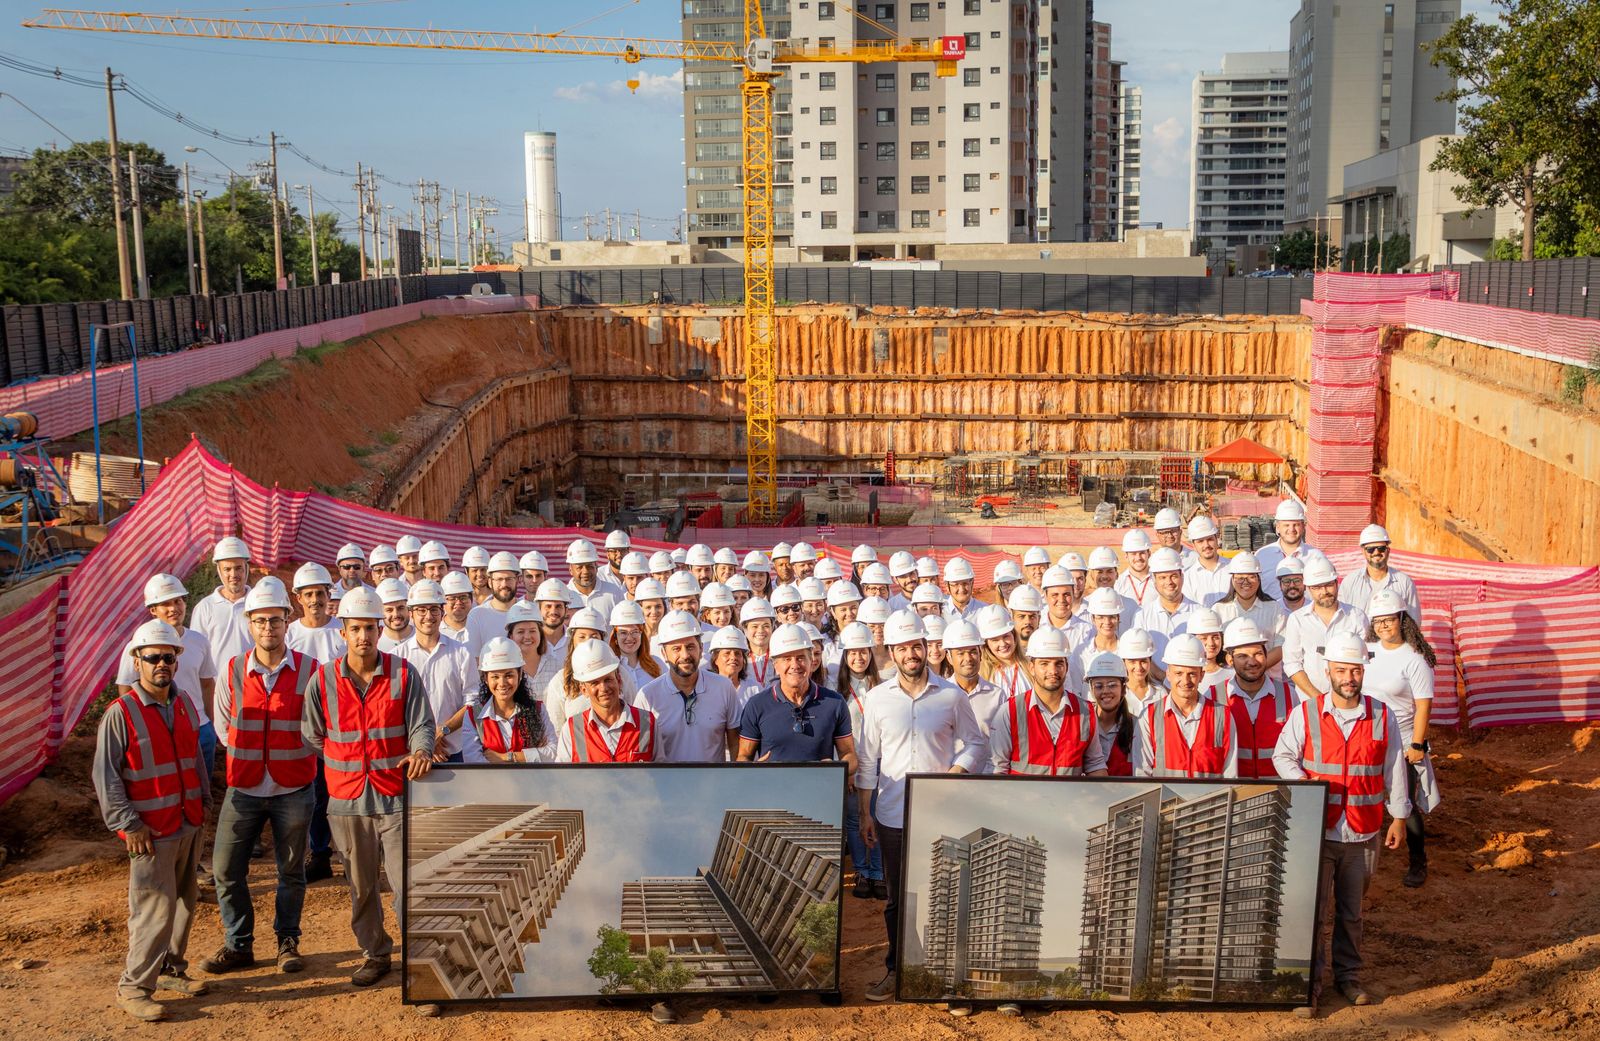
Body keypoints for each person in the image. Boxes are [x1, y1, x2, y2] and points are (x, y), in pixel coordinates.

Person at [300, 587, 435, 993]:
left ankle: (418, 960)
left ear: (381, 630)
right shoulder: (323, 679)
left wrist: (422, 749)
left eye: (370, 628)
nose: (363, 636)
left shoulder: (403, 673)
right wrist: (347, 762)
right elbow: (312, 733)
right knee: (361, 888)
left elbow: (421, 724)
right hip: (346, 801)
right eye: (355, 628)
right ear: (343, 632)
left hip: (394, 796)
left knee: (405, 886)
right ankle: (375, 954)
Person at [1273, 632, 1411, 1018]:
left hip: (1363, 832)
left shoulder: (1382, 715)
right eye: (1341, 669)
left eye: (1355, 669)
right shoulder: (1307, 713)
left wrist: (1398, 816)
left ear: (1363, 670)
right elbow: (1282, 755)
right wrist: (1303, 785)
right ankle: (1308, 986)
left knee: (1351, 913)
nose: (1349, 676)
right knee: (1312, 911)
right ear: (1328, 670)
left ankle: (1347, 978)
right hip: (1317, 832)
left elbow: (1395, 769)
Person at [856, 611, 986, 1003]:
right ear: (891, 653)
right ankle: (897, 972)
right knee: (897, 899)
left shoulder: (951, 695)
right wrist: (865, 812)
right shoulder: (877, 699)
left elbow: (976, 744)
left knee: (943, 897)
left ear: (928, 649)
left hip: (939, 813)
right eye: (903, 648)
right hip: (893, 815)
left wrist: (954, 773)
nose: (911, 653)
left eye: (917, 646)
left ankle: (944, 978)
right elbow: (866, 760)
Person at [94, 619, 213, 1023]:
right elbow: (106, 775)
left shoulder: (181, 703)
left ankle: (171, 970)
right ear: (137, 660)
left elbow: (194, 757)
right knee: (152, 910)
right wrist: (128, 824)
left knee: (184, 905)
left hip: (187, 821)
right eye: (153, 657)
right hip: (149, 830)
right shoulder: (120, 714)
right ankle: (134, 987)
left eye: (168, 656)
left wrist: (205, 800)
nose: (162, 663)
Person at [202, 580, 317, 978]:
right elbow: (222, 725)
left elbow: (319, 725)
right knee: (226, 869)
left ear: (288, 621)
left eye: (275, 619)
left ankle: (288, 941)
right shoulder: (233, 670)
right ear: (249, 624)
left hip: (294, 788)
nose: (268, 626)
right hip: (244, 787)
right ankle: (239, 944)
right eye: (260, 620)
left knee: (291, 872)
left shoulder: (310, 670)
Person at [1362, 590, 1439, 888]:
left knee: (1404, 804)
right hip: (1366, 738)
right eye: (1378, 621)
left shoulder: (1414, 660)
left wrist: (1417, 745)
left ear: (1401, 620)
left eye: (1389, 620)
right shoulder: (1367, 651)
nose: (1383, 626)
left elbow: (1423, 706)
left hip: (1402, 743)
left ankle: (1418, 861)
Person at [115, 575, 219, 776]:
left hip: (199, 728)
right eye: (165, 604)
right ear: (153, 610)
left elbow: (207, 684)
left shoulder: (199, 641)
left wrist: (211, 726)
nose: (174, 608)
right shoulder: (138, 645)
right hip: (157, 731)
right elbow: (126, 690)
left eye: (178, 601)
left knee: (201, 788)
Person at [987, 627, 1107, 777]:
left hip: (1070, 800)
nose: (1053, 671)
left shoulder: (1086, 712)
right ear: (1031, 667)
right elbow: (997, 769)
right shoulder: (1009, 712)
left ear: (1067, 667)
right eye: (1044, 663)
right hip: (1022, 800)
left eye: (1058, 663)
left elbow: (1095, 765)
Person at [735, 622, 855, 765]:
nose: (795, 665)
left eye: (800, 657)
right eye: (787, 659)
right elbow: (743, 757)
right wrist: (754, 769)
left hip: (820, 786)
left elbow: (849, 755)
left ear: (811, 660)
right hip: (772, 786)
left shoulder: (835, 702)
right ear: (775, 665)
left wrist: (834, 768)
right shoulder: (756, 705)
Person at [633, 610, 739, 762]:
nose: (684, 655)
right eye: (676, 649)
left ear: (701, 648)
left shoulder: (724, 688)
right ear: (664, 653)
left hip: (715, 785)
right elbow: (641, 752)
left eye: (690, 647)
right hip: (667, 785)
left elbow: (735, 743)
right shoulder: (647, 696)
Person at [827, 622, 885, 899]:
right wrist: (846, 770)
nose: (858, 658)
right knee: (854, 820)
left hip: (879, 765)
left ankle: (878, 872)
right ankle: (861, 871)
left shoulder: (884, 686)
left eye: (863, 652)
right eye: (852, 653)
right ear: (844, 656)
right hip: (852, 766)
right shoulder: (836, 691)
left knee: (878, 816)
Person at [1134, 634, 1238, 778]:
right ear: (1168, 674)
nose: (1185, 680)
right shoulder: (1149, 717)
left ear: (1202, 675)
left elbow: (1230, 775)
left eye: (1192, 674)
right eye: (1178, 673)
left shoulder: (1223, 716)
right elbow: (1142, 775)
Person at [396, 580, 476, 764]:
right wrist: (425, 742)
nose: (428, 616)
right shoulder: (398, 657)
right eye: (421, 610)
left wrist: (443, 731)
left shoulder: (461, 653)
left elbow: (474, 702)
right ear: (411, 614)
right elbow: (395, 707)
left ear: (442, 612)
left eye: (433, 609)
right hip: (410, 753)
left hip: (452, 753)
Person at [1220, 618, 1302, 779]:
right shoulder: (1215, 697)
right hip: (1235, 792)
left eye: (1258, 653)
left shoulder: (1287, 694)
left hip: (1280, 791)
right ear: (1230, 660)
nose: (1252, 662)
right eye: (1243, 656)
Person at [554, 641, 659, 763]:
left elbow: (661, 774)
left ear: (619, 680)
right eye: (594, 683)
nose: (603, 688)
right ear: (584, 690)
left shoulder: (647, 722)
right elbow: (563, 779)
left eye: (608, 679)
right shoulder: (572, 730)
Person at [1283, 559, 1370, 699]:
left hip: (1351, 700)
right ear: (1309, 589)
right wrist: (1318, 698)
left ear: (1337, 583)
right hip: (1310, 701)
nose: (1324, 591)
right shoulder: (1297, 619)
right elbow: (1292, 664)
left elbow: (1365, 661)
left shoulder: (1356, 616)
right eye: (1317, 587)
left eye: (1328, 585)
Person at [468, 637, 555, 763]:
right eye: (495, 677)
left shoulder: (538, 709)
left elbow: (553, 752)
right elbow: (472, 761)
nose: (502, 683)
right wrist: (533, 756)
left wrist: (507, 757)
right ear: (485, 678)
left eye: (509, 675)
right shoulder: (472, 715)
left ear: (520, 675)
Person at [941, 619, 1003, 776]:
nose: (968, 658)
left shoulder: (997, 696)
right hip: (946, 783)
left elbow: (1000, 749)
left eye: (973, 651)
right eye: (960, 653)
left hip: (985, 783)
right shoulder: (938, 695)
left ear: (980, 654)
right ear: (948, 657)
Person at [190, 536, 254, 684]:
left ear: (246, 567)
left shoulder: (259, 605)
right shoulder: (204, 608)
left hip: (254, 688)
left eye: (238, 568)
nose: (233, 575)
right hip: (217, 690)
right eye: (227, 569)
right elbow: (197, 654)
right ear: (219, 570)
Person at [1213, 551, 1287, 671]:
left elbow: (1281, 646)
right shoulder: (1219, 609)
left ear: (1259, 579)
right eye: (1240, 578)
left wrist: (1256, 669)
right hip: (1230, 679)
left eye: (1251, 577)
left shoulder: (1274, 608)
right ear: (1232, 579)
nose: (1246, 582)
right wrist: (1241, 672)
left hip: (1268, 676)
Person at [1340, 524, 1422, 624]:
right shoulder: (1350, 582)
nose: (1376, 552)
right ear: (1363, 552)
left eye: (1381, 548)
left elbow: (1414, 622)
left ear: (1388, 550)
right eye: (1370, 549)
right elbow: (1342, 620)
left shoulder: (1404, 583)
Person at [1135, 547, 1200, 665]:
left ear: (1182, 577)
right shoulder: (1142, 615)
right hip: (1155, 683)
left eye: (1174, 576)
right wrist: (1164, 678)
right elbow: (1139, 655)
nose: (1169, 582)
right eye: (1162, 577)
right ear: (1154, 582)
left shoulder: (1199, 613)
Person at [1255, 500, 1329, 599]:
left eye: (1296, 524)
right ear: (1277, 527)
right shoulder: (1262, 555)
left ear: (1303, 526)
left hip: (1304, 612)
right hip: (1270, 613)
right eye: (1286, 525)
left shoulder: (1316, 557)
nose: (1291, 529)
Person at [1085, 652, 1137, 776]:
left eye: (1112, 685)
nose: (1106, 691)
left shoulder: (1137, 727)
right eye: (1098, 686)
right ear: (1091, 690)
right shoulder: (1083, 724)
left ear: (1123, 689)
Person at [286, 563, 345, 663]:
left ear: (328, 595)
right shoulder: (289, 634)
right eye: (308, 595)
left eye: (319, 593)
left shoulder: (343, 631)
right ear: (299, 598)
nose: (315, 600)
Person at [465, 552, 521, 657]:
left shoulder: (529, 611)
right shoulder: (477, 615)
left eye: (509, 579)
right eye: (499, 579)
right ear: (490, 582)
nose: (504, 585)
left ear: (517, 580)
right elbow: (473, 660)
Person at [977, 603, 1035, 703]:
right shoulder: (981, 675)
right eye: (995, 640)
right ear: (986, 644)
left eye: (1006, 636)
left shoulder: (1031, 663)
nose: (1002, 644)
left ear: (1013, 635)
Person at [610, 600, 662, 692]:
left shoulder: (657, 664)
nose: (629, 638)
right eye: (623, 633)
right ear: (615, 636)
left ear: (641, 633)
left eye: (634, 632)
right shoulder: (610, 669)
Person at [1181, 515, 1232, 606]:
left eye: (1210, 539)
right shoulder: (1188, 578)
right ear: (1193, 545)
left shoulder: (1233, 568)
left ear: (1217, 539)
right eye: (1200, 541)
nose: (1206, 545)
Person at [708, 626, 763, 708]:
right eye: (727, 653)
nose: (733, 657)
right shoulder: (706, 690)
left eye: (737, 653)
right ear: (715, 659)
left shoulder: (755, 690)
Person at [566, 539, 625, 616]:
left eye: (589, 566)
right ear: (570, 570)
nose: (585, 571)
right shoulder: (564, 596)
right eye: (579, 567)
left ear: (596, 567)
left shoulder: (614, 593)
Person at [1188, 607, 1232, 699]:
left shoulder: (1232, 674)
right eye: (1204, 638)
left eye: (1215, 637)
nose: (1211, 643)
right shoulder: (1181, 676)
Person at [1117, 629, 1165, 713]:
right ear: (1123, 662)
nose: (1138, 667)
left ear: (1150, 661)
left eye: (1143, 661)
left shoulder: (1160, 694)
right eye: (1132, 661)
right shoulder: (1116, 694)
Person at [740, 597, 776, 696]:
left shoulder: (780, 655)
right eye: (755, 626)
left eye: (766, 626)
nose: (760, 631)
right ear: (745, 629)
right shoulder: (739, 658)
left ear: (772, 627)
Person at [1114, 529, 1157, 608]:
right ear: (1126, 556)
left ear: (1149, 554)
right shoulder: (1118, 583)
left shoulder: (1158, 580)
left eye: (1142, 553)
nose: (1138, 558)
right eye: (1133, 553)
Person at [374, 578, 413, 653]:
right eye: (389, 610)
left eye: (400, 608)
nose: (396, 614)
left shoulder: (421, 637)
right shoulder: (375, 644)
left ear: (408, 608)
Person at [439, 571, 475, 645]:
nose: (458, 602)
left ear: (471, 599)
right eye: (452, 598)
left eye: (463, 597)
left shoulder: (480, 626)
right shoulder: (435, 631)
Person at [941, 557, 979, 622]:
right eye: (955, 584)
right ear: (947, 586)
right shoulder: (940, 612)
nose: (961, 589)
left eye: (965, 583)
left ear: (972, 582)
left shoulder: (984, 611)